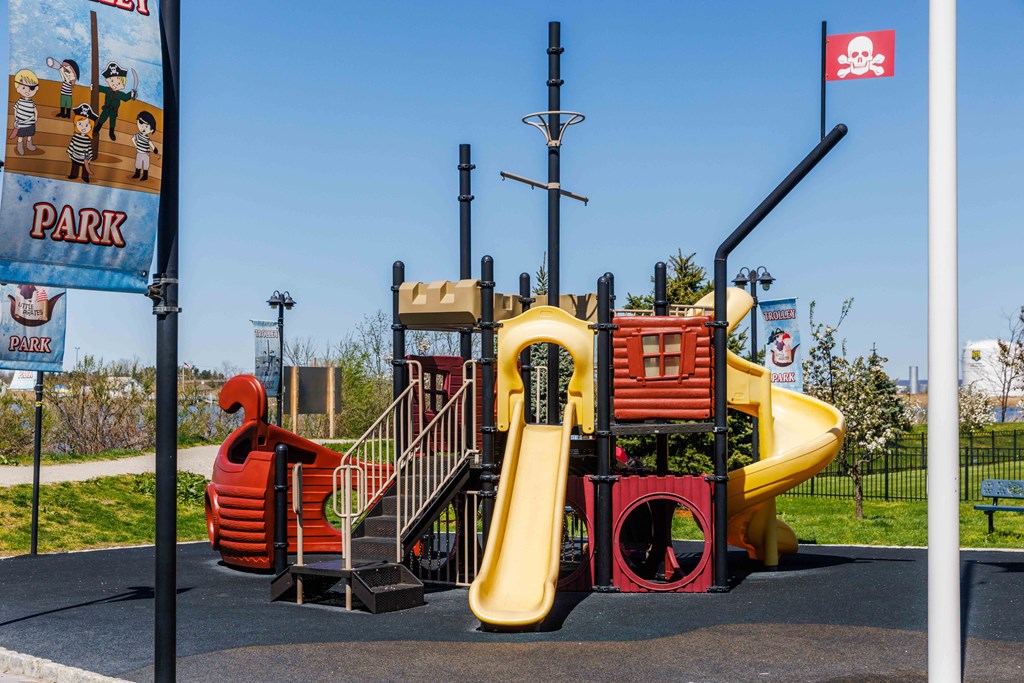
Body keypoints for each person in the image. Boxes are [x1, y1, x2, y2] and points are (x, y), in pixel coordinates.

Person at [96, 62, 136, 141]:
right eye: (112, 82)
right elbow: (100, 88)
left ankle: (111, 133)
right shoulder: (107, 90)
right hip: (106, 109)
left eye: (118, 83)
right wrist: (94, 87)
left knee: (112, 123)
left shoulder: (120, 94)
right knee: (101, 119)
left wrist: (131, 94)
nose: (115, 85)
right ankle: (97, 129)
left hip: (114, 111)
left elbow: (125, 98)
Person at [10, 70, 39, 155]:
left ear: (36, 88)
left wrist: (36, 117)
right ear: (17, 88)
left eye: (31, 88)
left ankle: (29, 144)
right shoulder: (19, 102)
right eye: (23, 87)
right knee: (20, 135)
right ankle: (20, 145)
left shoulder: (32, 102)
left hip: (31, 122)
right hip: (21, 123)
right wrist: (16, 119)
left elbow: (35, 110)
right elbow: (15, 109)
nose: (28, 91)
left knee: (30, 134)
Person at [67, 103, 97, 183]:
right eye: (80, 124)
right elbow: (71, 145)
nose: (83, 127)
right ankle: (74, 175)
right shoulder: (75, 136)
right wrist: (70, 153)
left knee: (85, 168)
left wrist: (89, 157)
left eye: (87, 125)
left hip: (84, 159)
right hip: (75, 156)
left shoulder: (87, 139)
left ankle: (85, 177)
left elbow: (89, 148)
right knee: (75, 166)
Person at [131, 110, 159, 181]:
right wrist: (136, 146)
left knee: (146, 164)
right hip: (139, 152)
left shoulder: (147, 138)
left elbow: (150, 143)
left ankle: (145, 175)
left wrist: (154, 149)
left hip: (146, 153)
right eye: (141, 124)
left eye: (146, 126)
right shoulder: (138, 135)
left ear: (151, 130)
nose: (143, 128)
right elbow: (133, 139)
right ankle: (137, 174)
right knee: (138, 163)